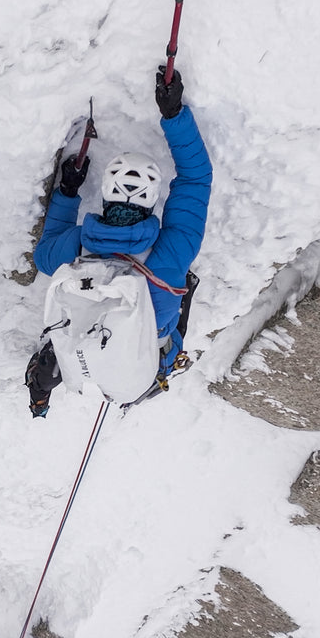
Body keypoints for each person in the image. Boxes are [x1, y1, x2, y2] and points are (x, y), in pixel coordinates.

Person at [26, 67, 212, 416]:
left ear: (106, 198)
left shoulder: (76, 248)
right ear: (153, 199)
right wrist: (173, 115)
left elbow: (43, 252)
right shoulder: (172, 251)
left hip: (96, 344)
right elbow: (196, 179)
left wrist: (67, 192)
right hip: (136, 363)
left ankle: (43, 391)